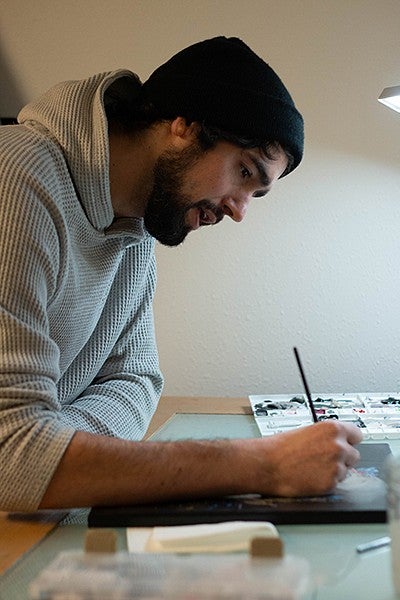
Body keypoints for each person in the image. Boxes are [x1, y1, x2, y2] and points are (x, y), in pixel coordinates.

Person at [0, 36, 362, 512]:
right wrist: (263, 465)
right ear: (184, 125)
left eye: (256, 192)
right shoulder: (16, 180)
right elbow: (12, 455)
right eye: (245, 172)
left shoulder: (132, 226)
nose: (239, 211)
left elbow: (136, 382)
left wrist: (56, 454)